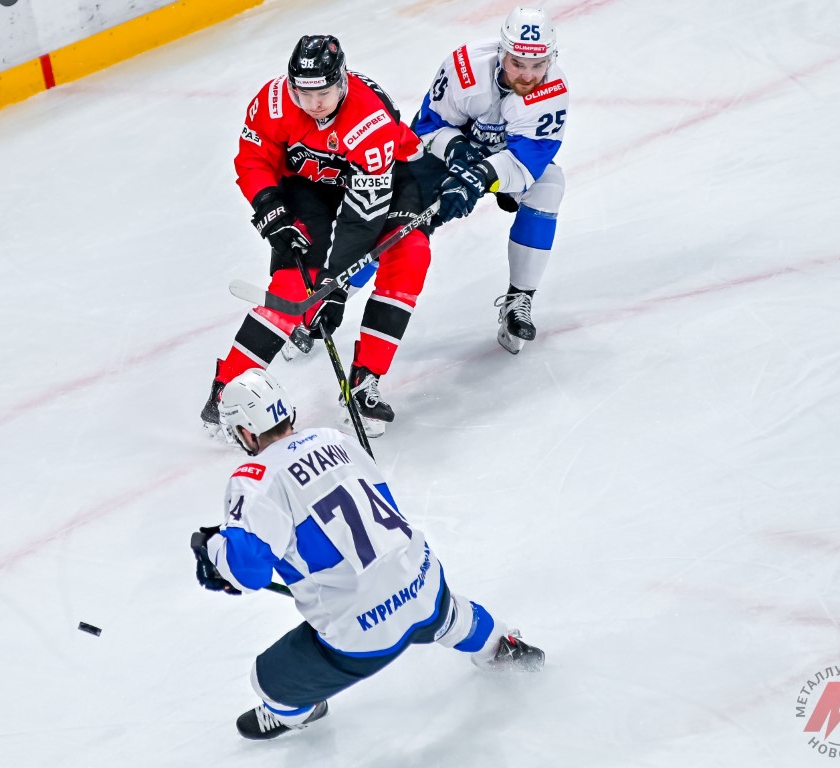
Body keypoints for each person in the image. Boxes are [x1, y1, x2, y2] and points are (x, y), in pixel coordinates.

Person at [190, 369, 544, 740]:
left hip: (360, 635)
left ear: (247, 431)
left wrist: (214, 549)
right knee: (446, 613)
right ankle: (502, 647)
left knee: (266, 682)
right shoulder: (334, 438)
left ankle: (301, 711)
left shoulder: (254, 479)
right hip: (423, 581)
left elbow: (248, 573)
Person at [200, 34, 438, 439]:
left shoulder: (370, 120)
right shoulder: (275, 101)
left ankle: (365, 379)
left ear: (342, 80)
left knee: (410, 253)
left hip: (391, 177)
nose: (313, 104)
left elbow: (362, 218)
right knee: (295, 284)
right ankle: (228, 386)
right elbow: (254, 157)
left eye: (323, 93)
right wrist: (270, 207)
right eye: (303, 94)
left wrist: (336, 287)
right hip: (313, 182)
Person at [414, 7, 569, 354]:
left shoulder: (554, 92)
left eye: (538, 65)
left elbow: (525, 163)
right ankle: (335, 295)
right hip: (445, 152)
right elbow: (426, 127)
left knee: (549, 185)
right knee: (401, 216)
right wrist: (457, 155)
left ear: (551, 59)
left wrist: (480, 176)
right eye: (518, 63)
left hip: (501, 160)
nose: (528, 76)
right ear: (502, 52)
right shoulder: (464, 67)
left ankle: (519, 299)